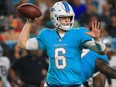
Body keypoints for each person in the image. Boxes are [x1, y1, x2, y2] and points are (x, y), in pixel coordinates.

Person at [18, 1, 107, 87]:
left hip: (74, 84)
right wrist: (29, 22)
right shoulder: (46, 34)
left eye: (69, 17)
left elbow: (102, 51)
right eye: (63, 17)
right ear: (54, 17)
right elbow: (23, 44)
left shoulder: (80, 33)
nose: (67, 20)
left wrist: (97, 40)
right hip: (52, 84)